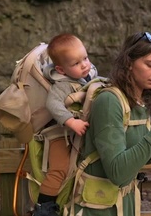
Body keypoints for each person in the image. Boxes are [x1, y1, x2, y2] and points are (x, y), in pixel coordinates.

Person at [77, 31, 151, 216]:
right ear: (129, 63)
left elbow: (131, 157)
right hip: (98, 210)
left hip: (124, 206)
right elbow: (119, 174)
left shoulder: (138, 103)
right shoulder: (109, 101)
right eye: (150, 65)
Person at [34, 33, 98, 216]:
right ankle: (43, 207)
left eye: (85, 58)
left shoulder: (90, 74)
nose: (84, 64)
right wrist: (71, 122)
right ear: (61, 70)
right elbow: (52, 105)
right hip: (59, 133)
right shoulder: (61, 84)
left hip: (79, 133)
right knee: (59, 169)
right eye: (76, 64)